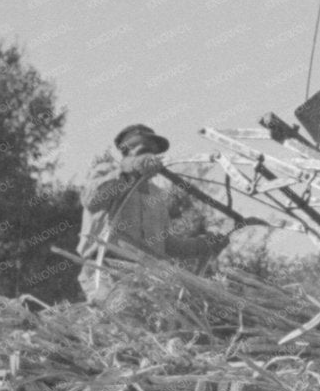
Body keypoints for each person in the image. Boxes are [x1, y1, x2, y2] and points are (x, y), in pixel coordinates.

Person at [77, 123, 229, 299]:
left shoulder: (156, 195)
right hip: (107, 270)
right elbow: (92, 199)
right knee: (118, 312)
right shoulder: (107, 174)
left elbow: (166, 244)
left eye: (152, 152)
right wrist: (130, 170)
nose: (150, 156)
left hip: (148, 278)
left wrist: (202, 245)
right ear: (126, 152)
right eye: (142, 151)